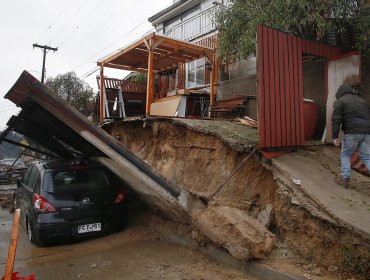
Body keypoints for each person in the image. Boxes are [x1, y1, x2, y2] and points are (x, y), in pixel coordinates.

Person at [332, 84, 370, 187]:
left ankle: (345, 180)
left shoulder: (341, 101)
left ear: (339, 93)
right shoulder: (363, 101)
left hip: (352, 132)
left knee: (345, 155)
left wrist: (335, 136)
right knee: (367, 157)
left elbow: (336, 120)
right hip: (367, 132)